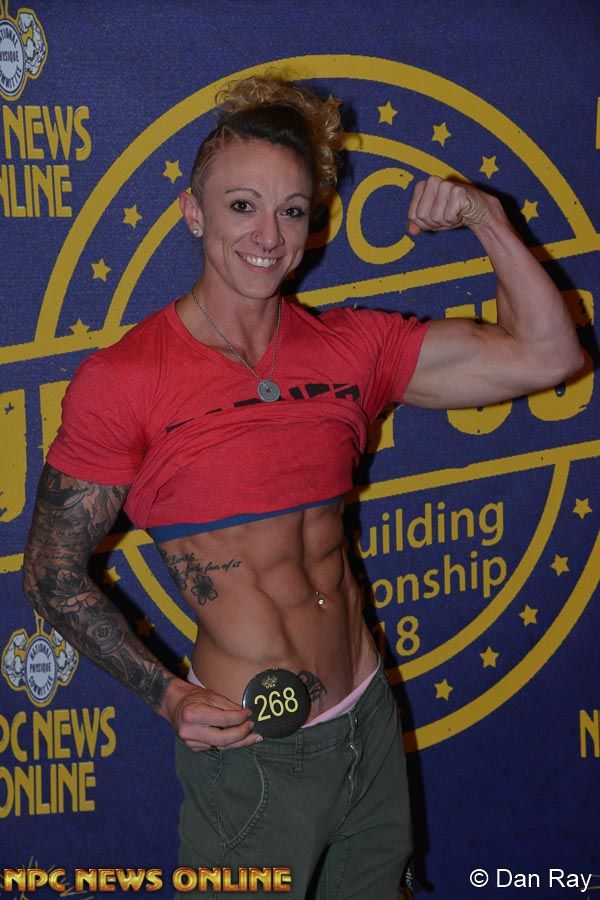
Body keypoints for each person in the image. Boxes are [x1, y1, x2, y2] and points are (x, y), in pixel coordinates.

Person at [22, 75, 582, 899]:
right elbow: (49, 573)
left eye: (290, 210)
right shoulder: (126, 380)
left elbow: (549, 354)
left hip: (367, 718)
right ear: (193, 213)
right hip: (256, 755)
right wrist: (168, 696)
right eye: (241, 206)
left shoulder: (353, 347)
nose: (268, 234)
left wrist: (484, 216)